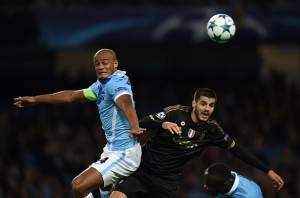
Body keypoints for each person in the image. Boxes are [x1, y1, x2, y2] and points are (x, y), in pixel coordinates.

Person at [14, 49, 144, 198]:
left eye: (105, 62)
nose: (100, 66)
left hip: (124, 153)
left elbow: (125, 102)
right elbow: (71, 96)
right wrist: (36, 99)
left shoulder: (115, 84)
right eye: (97, 64)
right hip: (112, 150)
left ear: (115, 64)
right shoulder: (99, 86)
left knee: (79, 186)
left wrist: (134, 126)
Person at [110, 88, 284, 198]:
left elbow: (237, 149)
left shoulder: (212, 130)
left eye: (211, 105)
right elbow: (140, 124)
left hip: (167, 183)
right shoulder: (175, 113)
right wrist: (162, 124)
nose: (207, 109)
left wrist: (267, 170)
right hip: (142, 172)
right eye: (203, 104)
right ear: (194, 103)